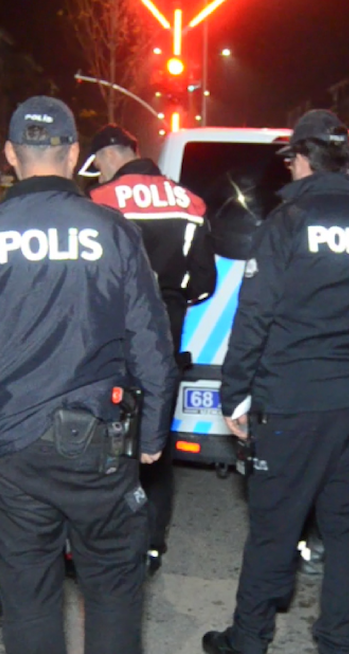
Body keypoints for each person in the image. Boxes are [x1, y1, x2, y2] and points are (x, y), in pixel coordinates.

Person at [0, 96, 178, 654]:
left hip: (7, 451)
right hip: (99, 448)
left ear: (11, 155)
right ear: (74, 153)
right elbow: (151, 340)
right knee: (113, 589)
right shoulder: (113, 231)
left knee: (29, 602)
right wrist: (154, 433)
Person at [203, 109, 349, 654]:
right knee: (345, 530)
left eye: (292, 160)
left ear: (301, 158)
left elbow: (253, 316)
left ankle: (250, 643)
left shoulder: (287, 222)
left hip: (291, 405)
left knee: (273, 529)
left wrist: (235, 396)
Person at [87, 123, 217, 575]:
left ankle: (102, 542)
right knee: (154, 442)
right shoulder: (189, 202)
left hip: (109, 341)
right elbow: (205, 282)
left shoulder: (98, 202)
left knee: (103, 439)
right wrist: (172, 300)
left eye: (97, 164)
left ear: (109, 156)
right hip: (163, 338)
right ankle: (152, 544)